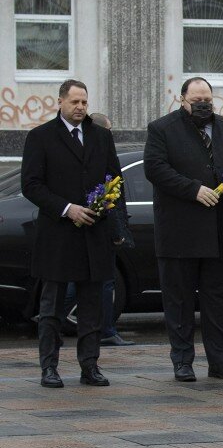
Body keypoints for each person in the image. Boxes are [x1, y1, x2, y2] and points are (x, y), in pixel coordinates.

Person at [144, 77, 223, 383]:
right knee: (179, 301)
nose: (203, 104)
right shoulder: (162, 129)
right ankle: (182, 360)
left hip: (221, 231)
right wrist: (193, 189)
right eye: (197, 100)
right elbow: (155, 168)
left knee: (219, 301)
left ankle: (220, 360)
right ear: (182, 100)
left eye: (208, 99)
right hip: (180, 231)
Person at [21, 80, 122, 388]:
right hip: (58, 235)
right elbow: (32, 185)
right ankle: (49, 367)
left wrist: (109, 214)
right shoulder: (41, 137)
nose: (80, 107)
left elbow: (114, 179)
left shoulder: (101, 136)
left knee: (92, 305)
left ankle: (89, 366)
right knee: (52, 306)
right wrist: (67, 209)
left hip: (94, 233)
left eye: (84, 102)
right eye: (75, 102)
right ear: (61, 102)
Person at [63, 112, 136, 347]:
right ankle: (105, 330)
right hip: (98, 228)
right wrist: (117, 233)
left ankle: (52, 316)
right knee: (104, 281)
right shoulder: (99, 156)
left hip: (83, 228)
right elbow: (110, 197)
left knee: (78, 280)